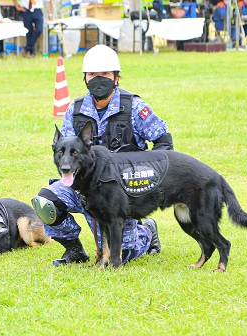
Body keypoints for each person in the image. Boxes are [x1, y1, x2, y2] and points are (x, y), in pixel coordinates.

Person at [32, 45, 172, 266]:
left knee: (123, 254)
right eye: (92, 75)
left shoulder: (134, 107)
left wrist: (147, 177)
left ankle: (147, 232)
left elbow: (164, 142)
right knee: (45, 202)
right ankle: (74, 250)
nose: (98, 79)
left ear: (116, 77)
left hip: (123, 192)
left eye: (105, 74)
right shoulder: (75, 109)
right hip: (84, 188)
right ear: (85, 79)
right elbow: (65, 152)